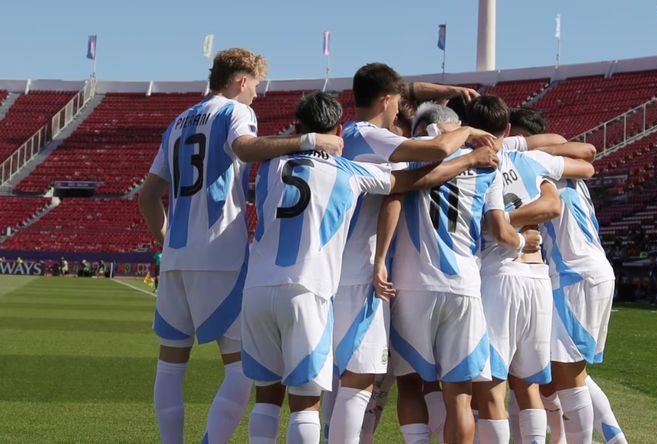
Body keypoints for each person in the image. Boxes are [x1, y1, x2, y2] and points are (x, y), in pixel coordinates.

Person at [241, 91, 500, 444]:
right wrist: (469, 151)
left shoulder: (267, 167)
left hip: (258, 288)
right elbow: (405, 182)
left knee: (268, 398)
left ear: (298, 126)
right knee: (331, 394)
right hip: (325, 285)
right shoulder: (349, 171)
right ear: (337, 127)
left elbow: (248, 148)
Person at [137, 48, 344, 444]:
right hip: (221, 253)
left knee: (170, 366)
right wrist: (307, 139)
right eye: (257, 87)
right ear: (242, 80)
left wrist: (166, 241)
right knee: (239, 370)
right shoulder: (235, 112)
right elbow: (246, 149)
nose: (257, 97)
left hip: (177, 257)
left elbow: (148, 196)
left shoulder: (178, 121)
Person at [326, 63, 496, 444]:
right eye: (399, 100)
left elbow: (404, 178)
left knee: (362, 383)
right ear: (387, 100)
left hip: (363, 271)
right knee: (360, 383)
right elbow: (428, 158)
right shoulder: (369, 135)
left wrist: (445, 90)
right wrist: (467, 137)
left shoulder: (350, 135)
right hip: (365, 272)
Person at [468, 96, 595, 444]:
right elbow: (587, 162)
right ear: (507, 129)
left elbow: (494, 227)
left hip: (499, 275)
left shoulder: (473, 164)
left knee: (491, 388)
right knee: (529, 386)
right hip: (537, 278)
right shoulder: (531, 159)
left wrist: (511, 231)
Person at [508, 110, 627, 444]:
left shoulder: (533, 163)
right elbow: (586, 152)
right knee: (556, 372)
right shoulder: (562, 164)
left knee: (569, 376)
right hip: (586, 271)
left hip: (574, 274)